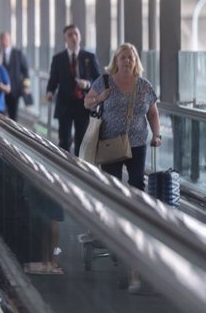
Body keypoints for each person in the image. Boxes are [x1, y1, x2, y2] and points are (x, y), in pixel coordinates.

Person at [84, 43, 161, 293]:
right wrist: (99, 98)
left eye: (131, 57)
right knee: (113, 188)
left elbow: (153, 114)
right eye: (123, 57)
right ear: (116, 60)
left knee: (137, 184)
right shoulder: (105, 81)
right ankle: (115, 230)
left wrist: (156, 135)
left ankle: (134, 226)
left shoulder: (144, 85)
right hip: (110, 143)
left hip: (137, 143)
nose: (127, 61)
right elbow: (87, 102)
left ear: (136, 61)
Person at [46, 25, 102, 156]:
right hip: (64, 103)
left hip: (83, 104)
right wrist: (50, 92)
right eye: (70, 35)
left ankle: (78, 169)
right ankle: (64, 167)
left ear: (80, 36)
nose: (73, 37)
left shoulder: (89, 57)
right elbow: (53, 79)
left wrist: (88, 84)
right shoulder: (58, 59)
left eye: (76, 34)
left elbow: (99, 80)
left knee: (81, 140)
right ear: (65, 39)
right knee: (64, 140)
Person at [0, 32, 31, 121]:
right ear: (0, 41)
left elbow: (25, 70)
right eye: (3, 39)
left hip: (15, 90)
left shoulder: (18, 53)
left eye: (6, 39)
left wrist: (26, 85)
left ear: (10, 40)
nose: (4, 41)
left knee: (13, 117)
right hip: (0, 90)